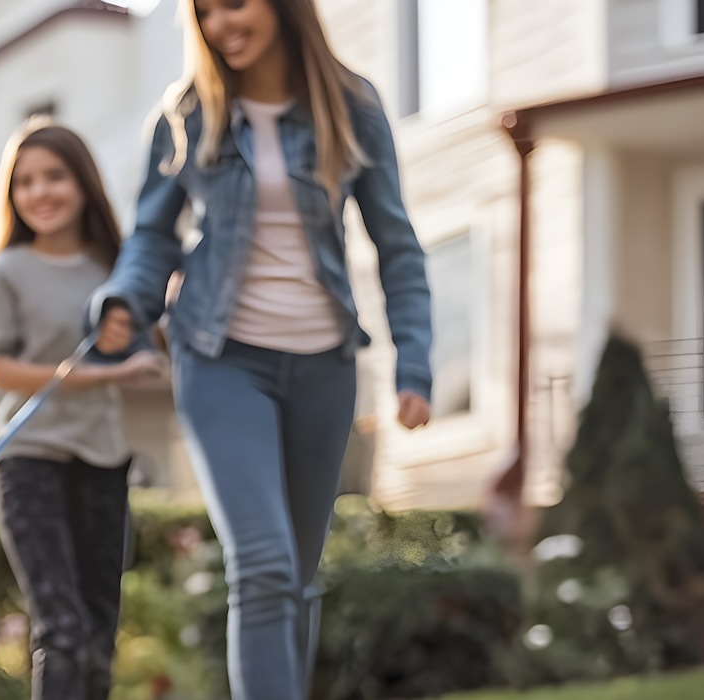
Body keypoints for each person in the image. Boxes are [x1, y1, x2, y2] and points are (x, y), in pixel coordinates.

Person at [90, 1, 434, 698]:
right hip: (221, 360)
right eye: (207, 12)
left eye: (236, 4)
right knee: (264, 565)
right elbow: (153, 236)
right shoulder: (187, 113)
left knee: (298, 578)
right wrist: (126, 301)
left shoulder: (350, 105)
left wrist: (415, 362)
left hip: (324, 367)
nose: (222, 24)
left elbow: (396, 243)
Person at [0, 117, 166, 700]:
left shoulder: (115, 267)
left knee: (100, 634)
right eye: (24, 182)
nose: (40, 192)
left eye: (54, 176)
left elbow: (143, 344)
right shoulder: (5, 271)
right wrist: (87, 375)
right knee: (64, 629)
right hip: (31, 460)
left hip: (104, 458)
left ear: (82, 184)